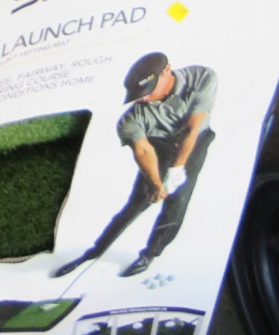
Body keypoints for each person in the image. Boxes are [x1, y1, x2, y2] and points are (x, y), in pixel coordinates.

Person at [52, 51, 217, 279]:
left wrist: (177, 170)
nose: (144, 99)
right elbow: (143, 150)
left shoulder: (202, 77)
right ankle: (94, 252)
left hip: (195, 140)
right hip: (158, 144)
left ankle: (150, 254)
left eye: (148, 91)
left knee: (178, 201)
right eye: (140, 95)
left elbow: (193, 128)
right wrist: (157, 184)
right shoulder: (130, 121)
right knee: (138, 202)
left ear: (166, 71)